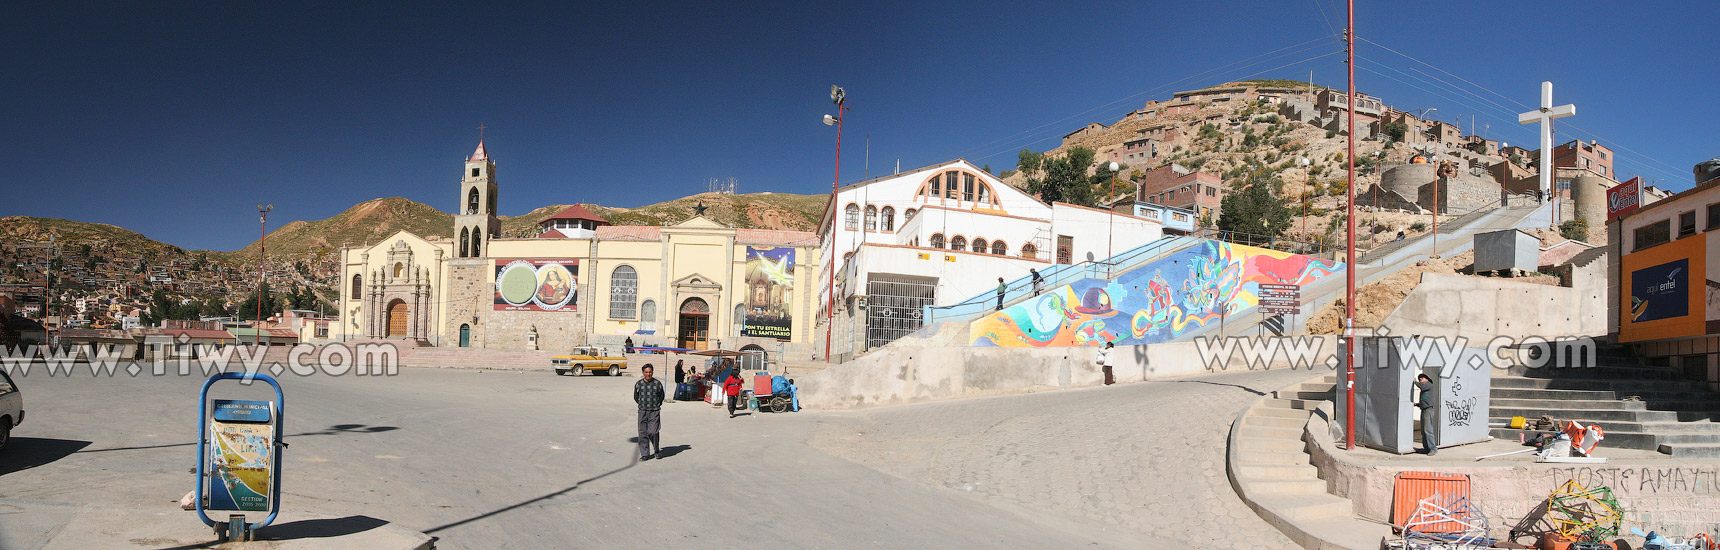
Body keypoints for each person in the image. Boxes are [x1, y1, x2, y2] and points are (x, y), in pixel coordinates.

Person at [634, 364, 664, 460]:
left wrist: (656, 404)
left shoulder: (657, 384)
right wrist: (642, 404)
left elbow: (661, 396)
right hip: (642, 411)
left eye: (650, 372)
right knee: (642, 433)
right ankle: (645, 454)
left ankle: (656, 450)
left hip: (654, 411)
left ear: (653, 372)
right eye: (646, 372)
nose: (648, 374)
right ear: (643, 373)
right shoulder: (639, 384)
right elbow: (636, 397)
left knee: (653, 432)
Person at [1414, 373, 1438, 456]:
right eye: (1419, 378)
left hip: (1428, 410)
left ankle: (1433, 448)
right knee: (1423, 431)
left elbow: (1422, 386)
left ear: (1427, 379)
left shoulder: (1428, 385)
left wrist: (1415, 382)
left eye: (1422, 378)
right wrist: (1417, 404)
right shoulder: (1424, 390)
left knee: (1428, 430)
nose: (1421, 379)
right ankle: (1426, 448)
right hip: (1424, 410)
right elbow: (1425, 400)